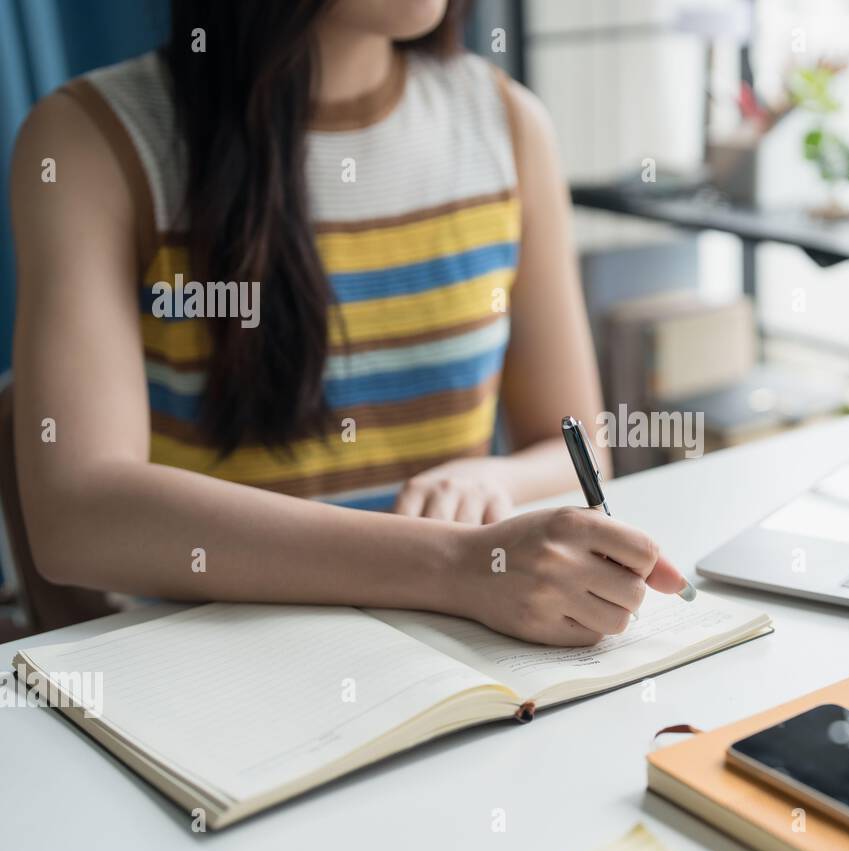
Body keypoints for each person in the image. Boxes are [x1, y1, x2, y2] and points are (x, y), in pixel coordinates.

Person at [10, 0, 686, 646]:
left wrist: (493, 483)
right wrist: (454, 565)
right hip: (205, 666)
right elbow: (77, 512)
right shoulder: (90, 140)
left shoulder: (508, 124)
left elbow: (577, 448)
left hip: (451, 650)